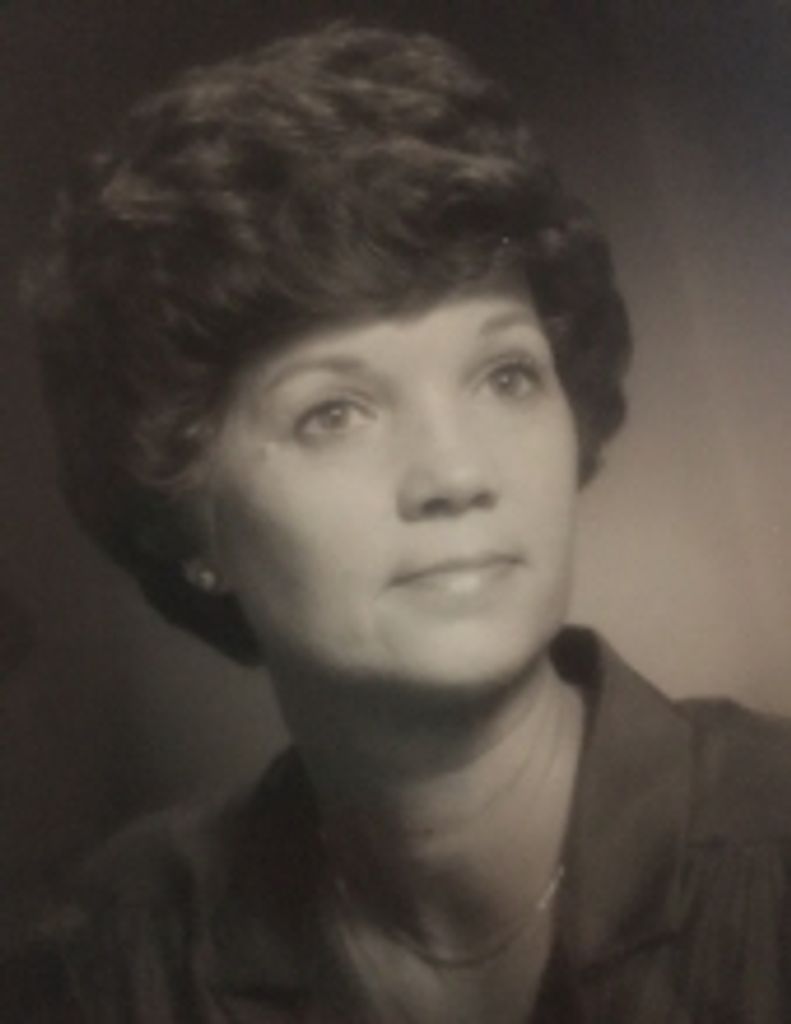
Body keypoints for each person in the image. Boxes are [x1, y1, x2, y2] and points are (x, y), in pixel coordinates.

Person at [15, 20, 791, 1023]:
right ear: (183, 522)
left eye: (504, 374)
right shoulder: (109, 962)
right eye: (333, 413)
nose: (455, 474)